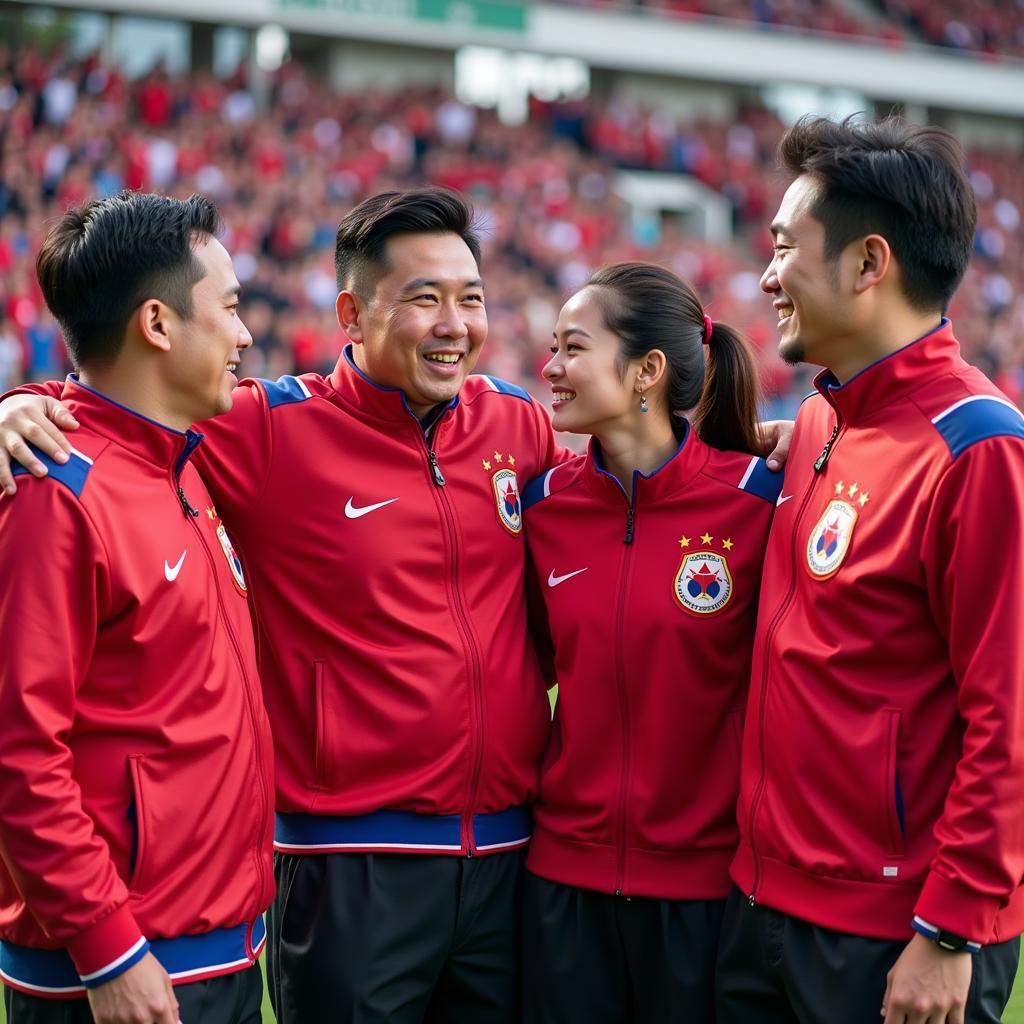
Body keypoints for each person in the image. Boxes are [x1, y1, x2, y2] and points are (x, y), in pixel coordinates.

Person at [0, 186, 794, 1023]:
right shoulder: (266, 429)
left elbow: (638, 488)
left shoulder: (517, 428)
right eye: (426, 299)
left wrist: (765, 440)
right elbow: (129, 407)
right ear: (350, 312)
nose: (456, 324)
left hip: (509, 863)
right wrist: (20, 409)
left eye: (472, 299)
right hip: (351, 867)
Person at [715, 116, 1024, 1024]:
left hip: (898, 936)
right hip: (765, 904)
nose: (767, 276)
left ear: (867, 263)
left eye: (784, 249)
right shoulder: (818, 420)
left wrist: (950, 930)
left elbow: (1007, 715)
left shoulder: (979, 450)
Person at [0, 192, 275, 1024]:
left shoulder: (182, 462)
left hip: (216, 945)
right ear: (158, 323)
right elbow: (17, 749)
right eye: (228, 308)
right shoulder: (55, 493)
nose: (245, 335)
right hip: (121, 969)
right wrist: (107, 943)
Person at [519, 262, 780, 1023]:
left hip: (706, 897)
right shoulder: (542, 507)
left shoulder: (757, 501)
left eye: (572, 347)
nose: (551, 367)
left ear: (647, 371)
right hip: (561, 890)